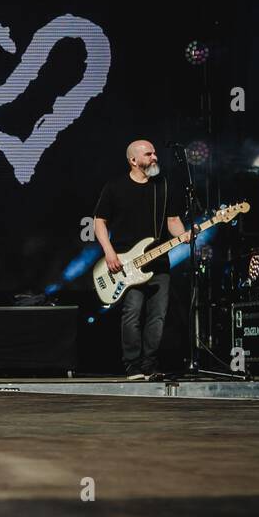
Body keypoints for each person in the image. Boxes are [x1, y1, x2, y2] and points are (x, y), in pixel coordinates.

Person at [93, 140, 189, 381]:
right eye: (148, 154)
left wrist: (185, 235)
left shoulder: (163, 185)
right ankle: (133, 365)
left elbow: (173, 220)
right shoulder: (115, 187)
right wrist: (109, 251)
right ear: (133, 160)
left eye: (155, 153)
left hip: (159, 261)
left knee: (158, 316)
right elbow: (99, 222)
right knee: (132, 313)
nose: (154, 157)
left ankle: (150, 364)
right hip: (126, 263)